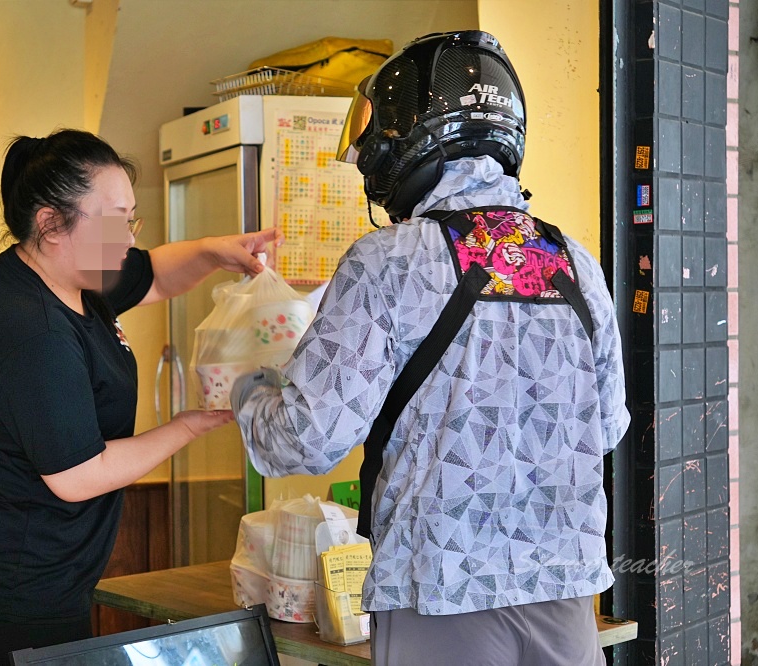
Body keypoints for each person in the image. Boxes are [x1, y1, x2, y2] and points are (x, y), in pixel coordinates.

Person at [230, 31, 629, 666]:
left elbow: (306, 437)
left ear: (410, 137)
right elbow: (606, 425)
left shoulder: (389, 262)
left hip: (439, 587)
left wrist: (246, 390)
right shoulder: (575, 263)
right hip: (564, 592)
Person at [0, 128, 281, 665]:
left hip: (22, 564)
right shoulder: (31, 327)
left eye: (131, 218)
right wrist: (190, 424)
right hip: (11, 580)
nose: (128, 238)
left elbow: (152, 275)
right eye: (114, 221)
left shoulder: (64, 271)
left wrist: (213, 252)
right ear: (50, 223)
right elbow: (77, 475)